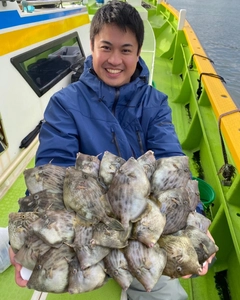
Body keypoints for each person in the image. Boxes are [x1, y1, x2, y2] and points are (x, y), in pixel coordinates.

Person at [9, 1, 215, 299]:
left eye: (126, 50)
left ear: (138, 51)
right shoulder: (65, 103)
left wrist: (194, 217)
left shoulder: (155, 103)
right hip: (84, 229)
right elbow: (52, 173)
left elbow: (172, 164)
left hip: (141, 233)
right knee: (28, 256)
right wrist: (30, 239)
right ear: (92, 45)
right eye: (106, 47)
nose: (115, 60)